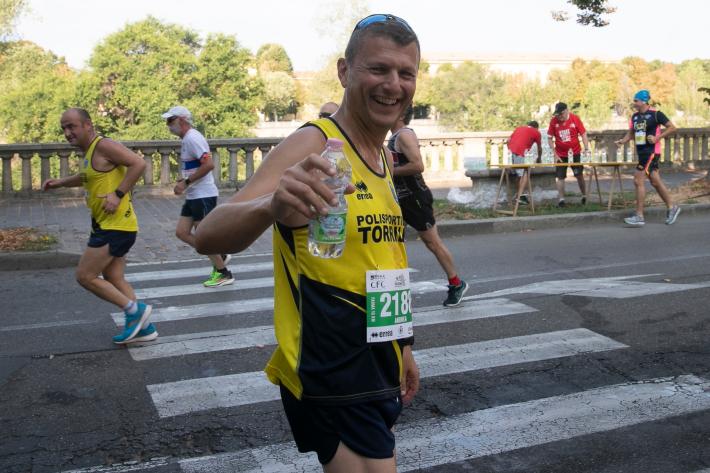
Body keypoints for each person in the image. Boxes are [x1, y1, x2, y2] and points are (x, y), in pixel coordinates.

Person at [194, 14, 420, 473]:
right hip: (329, 363)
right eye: (379, 69)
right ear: (344, 71)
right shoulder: (315, 143)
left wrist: (404, 345)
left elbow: (384, 259)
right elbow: (208, 234)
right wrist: (270, 206)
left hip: (377, 356)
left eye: (406, 72)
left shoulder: (380, 154)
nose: (393, 85)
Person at [42, 108, 156, 344]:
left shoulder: (103, 145)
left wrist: (117, 194)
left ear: (88, 125)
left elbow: (138, 163)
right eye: (64, 128)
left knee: (85, 276)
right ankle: (144, 329)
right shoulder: (90, 152)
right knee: (114, 276)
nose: (67, 132)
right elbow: (86, 177)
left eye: (72, 126)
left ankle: (135, 312)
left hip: (115, 226)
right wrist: (60, 183)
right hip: (111, 224)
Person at [389, 105, 468, 307]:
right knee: (391, 242)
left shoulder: (404, 135)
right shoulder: (395, 136)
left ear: (400, 114)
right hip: (399, 199)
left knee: (432, 242)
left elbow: (418, 165)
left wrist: (388, 171)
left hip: (414, 198)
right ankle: (389, 287)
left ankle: (456, 284)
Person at [162, 106, 234, 287]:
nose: (168, 125)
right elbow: (197, 166)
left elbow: (208, 165)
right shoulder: (187, 139)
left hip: (203, 195)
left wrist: (186, 182)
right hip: (194, 194)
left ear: (182, 120)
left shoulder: (192, 138)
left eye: (170, 120)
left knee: (203, 237)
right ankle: (220, 255)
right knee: (182, 232)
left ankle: (223, 273)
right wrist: (186, 180)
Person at [615, 90, 680, 226]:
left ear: (643, 101)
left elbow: (672, 128)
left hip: (651, 152)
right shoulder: (634, 117)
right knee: (655, 181)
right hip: (642, 152)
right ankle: (672, 207)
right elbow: (631, 133)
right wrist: (622, 141)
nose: (634, 103)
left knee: (638, 179)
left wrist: (657, 138)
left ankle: (639, 216)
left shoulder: (656, 114)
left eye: (636, 100)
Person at [547, 102, 589, 207]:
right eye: (557, 114)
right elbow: (549, 138)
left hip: (575, 153)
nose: (559, 117)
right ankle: (561, 200)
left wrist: (586, 148)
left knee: (579, 175)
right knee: (560, 176)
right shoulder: (554, 121)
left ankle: (584, 195)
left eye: (561, 114)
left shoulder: (575, 118)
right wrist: (555, 154)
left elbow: (583, 134)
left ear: (566, 111)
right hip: (560, 154)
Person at [507, 120, 542, 205]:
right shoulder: (536, 132)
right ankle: (519, 197)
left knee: (519, 174)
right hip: (520, 151)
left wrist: (511, 149)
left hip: (513, 151)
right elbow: (539, 148)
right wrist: (539, 158)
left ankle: (520, 195)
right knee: (524, 173)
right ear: (537, 128)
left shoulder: (519, 128)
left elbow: (508, 140)